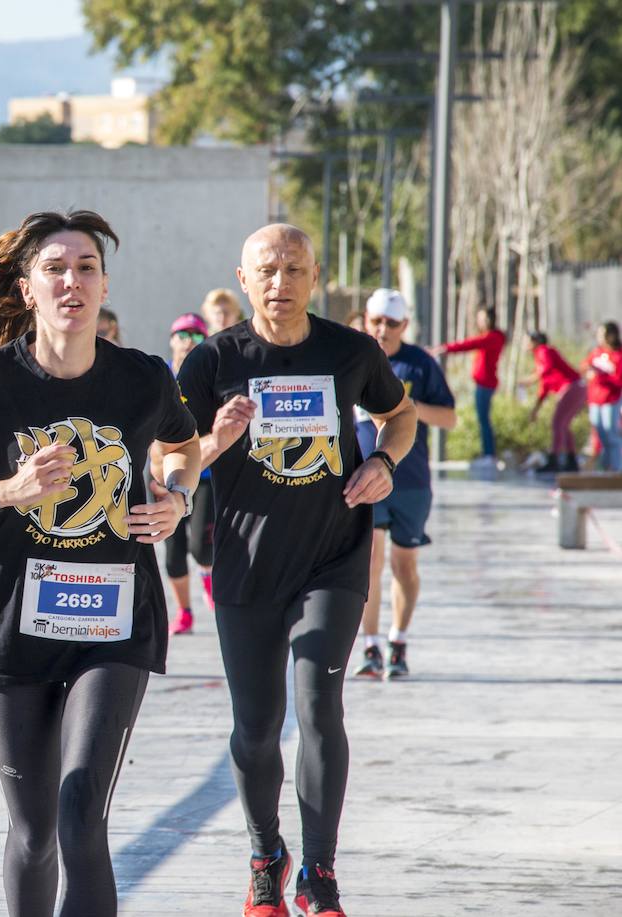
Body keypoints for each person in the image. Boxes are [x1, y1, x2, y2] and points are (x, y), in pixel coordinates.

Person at [0, 210, 201, 917]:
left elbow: (184, 447)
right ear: (28, 289)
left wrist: (177, 499)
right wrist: (7, 491)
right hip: (12, 629)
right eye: (55, 268)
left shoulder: (146, 378)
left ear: (103, 286)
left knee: (79, 815)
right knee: (34, 834)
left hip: (114, 622)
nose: (73, 280)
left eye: (87, 267)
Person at [176, 225, 416, 916]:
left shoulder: (349, 350)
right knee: (255, 727)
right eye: (266, 270)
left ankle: (319, 870)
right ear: (242, 279)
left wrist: (384, 462)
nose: (279, 282)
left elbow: (398, 416)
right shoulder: (213, 360)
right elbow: (171, 457)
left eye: (293, 268)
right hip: (247, 564)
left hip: (333, 556)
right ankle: (265, 855)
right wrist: (213, 441)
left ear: (315, 276)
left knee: (317, 705)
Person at [350, 289, 457, 681]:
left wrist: (404, 410)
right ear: (365, 319)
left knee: (404, 564)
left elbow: (450, 418)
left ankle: (399, 639)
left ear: (405, 326)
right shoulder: (353, 358)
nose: (382, 329)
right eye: (376, 320)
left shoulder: (419, 364)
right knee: (370, 559)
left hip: (410, 481)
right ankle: (371, 645)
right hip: (364, 477)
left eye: (391, 323)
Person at [163, 312, 214, 636]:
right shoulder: (158, 376)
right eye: (182, 335)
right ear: (171, 340)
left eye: (196, 336)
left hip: (203, 474)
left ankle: (208, 574)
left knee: (200, 546)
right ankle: (183, 612)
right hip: (161, 473)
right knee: (172, 554)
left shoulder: (210, 378)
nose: (187, 342)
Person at [429, 307, 505, 470]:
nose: (480, 322)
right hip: (483, 383)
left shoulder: (493, 337)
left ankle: (489, 455)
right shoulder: (489, 337)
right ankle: (488, 454)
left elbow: (470, 344)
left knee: (484, 420)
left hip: (486, 384)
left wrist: (445, 349)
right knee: (483, 419)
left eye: (483, 318)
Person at [526, 332, 586, 474]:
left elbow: (546, 368)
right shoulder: (541, 355)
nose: (526, 344)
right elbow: (544, 387)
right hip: (577, 387)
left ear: (535, 341)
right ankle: (571, 461)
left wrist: (531, 379)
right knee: (563, 425)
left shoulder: (544, 350)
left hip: (572, 387)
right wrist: (536, 409)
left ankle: (554, 460)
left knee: (558, 423)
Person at [583, 321, 622, 472]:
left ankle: (617, 468)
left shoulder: (618, 355)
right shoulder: (596, 352)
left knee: (611, 434)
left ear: (611, 335)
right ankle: (606, 467)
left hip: (610, 400)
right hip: (595, 400)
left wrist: (601, 376)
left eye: (602, 334)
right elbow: (584, 366)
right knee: (600, 435)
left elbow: (618, 380)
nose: (599, 337)